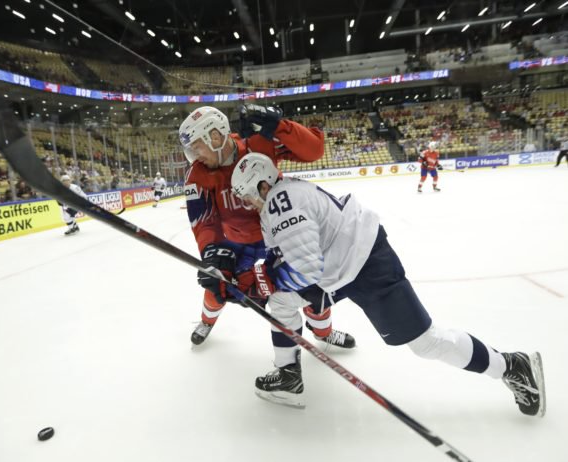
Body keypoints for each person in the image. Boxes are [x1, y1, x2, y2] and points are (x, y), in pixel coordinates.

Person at [230, 153, 546, 414]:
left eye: (247, 196)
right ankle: (289, 377)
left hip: (365, 264)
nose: (247, 204)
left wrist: (264, 281)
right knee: (282, 302)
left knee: (427, 343)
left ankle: (511, 365)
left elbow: (307, 269)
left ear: (262, 184)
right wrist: (256, 276)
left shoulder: (278, 200)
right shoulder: (282, 197)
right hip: (340, 267)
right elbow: (291, 257)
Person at [179, 104, 355, 350]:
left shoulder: (258, 143)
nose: (195, 156)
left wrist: (280, 127)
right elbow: (203, 219)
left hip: (279, 232)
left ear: (215, 136)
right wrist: (211, 251)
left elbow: (314, 150)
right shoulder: (197, 173)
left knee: (308, 286)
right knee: (216, 283)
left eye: (196, 147)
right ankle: (207, 320)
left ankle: (323, 332)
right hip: (238, 243)